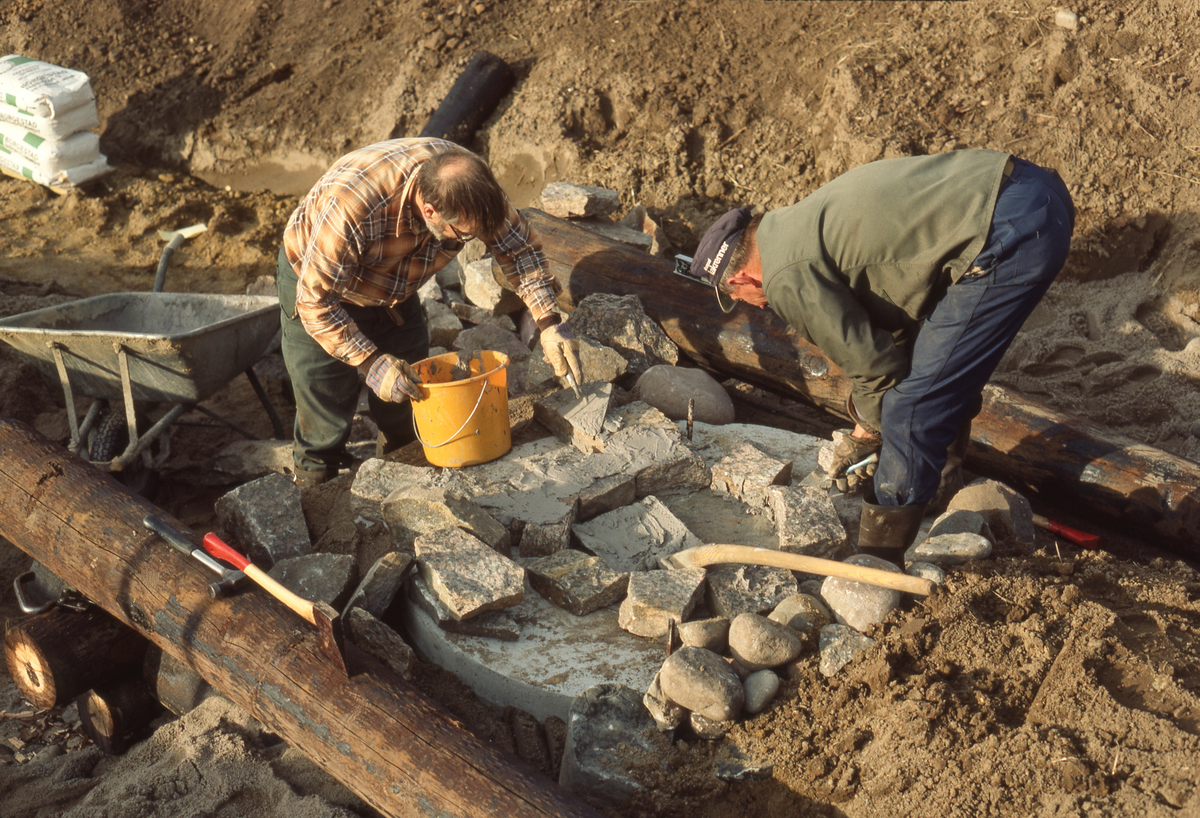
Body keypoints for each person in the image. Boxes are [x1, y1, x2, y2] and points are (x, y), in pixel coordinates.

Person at [691, 149, 1074, 561]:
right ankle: (936, 490)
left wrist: (870, 433)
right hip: (1025, 191)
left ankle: (879, 557)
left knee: (913, 406)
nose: (750, 305)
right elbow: (894, 341)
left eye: (737, 298)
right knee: (932, 371)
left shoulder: (784, 276)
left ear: (739, 277)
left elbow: (876, 368)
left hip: (1009, 233)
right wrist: (868, 425)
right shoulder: (791, 226)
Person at [277, 137, 583, 487]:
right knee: (325, 414)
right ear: (430, 212)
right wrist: (371, 363)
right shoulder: (353, 207)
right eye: (465, 236)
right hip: (319, 285)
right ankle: (314, 496)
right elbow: (315, 304)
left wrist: (548, 322)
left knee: (410, 401)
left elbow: (518, 250)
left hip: (394, 290)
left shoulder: (471, 185)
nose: (474, 239)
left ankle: (398, 486)